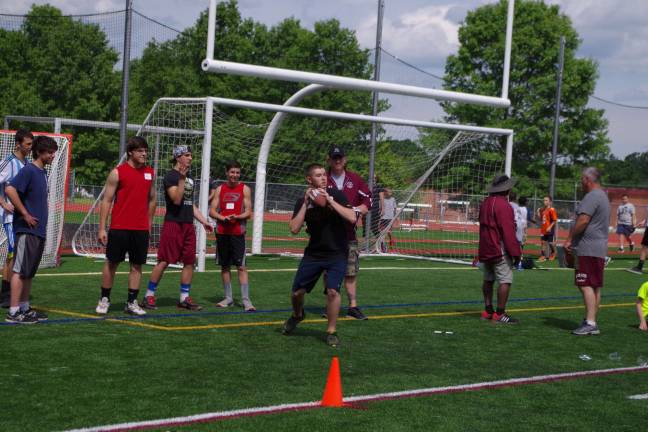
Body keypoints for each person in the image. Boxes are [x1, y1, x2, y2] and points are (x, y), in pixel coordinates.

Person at [282, 163, 358, 347]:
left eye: (324, 174)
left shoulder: (337, 194)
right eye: (318, 175)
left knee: (332, 291)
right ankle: (298, 314)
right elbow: (293, 228)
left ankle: (331, 331)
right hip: (314, 254)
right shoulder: (302, 201)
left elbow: (352, 217)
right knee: (296, 293)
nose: (323, 178)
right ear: (309, 179)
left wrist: (331, 201)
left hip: (337, 253)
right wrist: (306, 203)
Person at [143, 146, 213, 311]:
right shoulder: (171, 176)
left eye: (191, 155)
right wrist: (181, 179)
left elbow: (189, 203)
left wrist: (204, 221)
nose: (190, 158)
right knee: (164, 261)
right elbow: (176, 199)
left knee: (189, 261)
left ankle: (184, 298)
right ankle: (148, 296)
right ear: (178, 157)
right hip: (173, 224)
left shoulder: (188, 178)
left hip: (188, 225)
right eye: (187, 155)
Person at [95, 136, 156, 316]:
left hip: (140, 229)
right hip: (119, 227)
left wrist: (149, 224)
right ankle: (104, 299)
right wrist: (102, 228)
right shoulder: (117, 172)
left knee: (137, 266)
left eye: (145, 151)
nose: (144, 154)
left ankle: (131, 302)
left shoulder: (150, 173)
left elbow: (152, 200)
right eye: (140, 151)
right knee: (112, 263)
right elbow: (106, 200)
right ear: (130, 152)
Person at [4, 136, 58, 323]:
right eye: (50, 152)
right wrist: (25, 214)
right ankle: (13, 312)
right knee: (19, 270)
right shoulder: (29, 170)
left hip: (38, 230)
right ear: (39, 152)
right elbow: (10, 189)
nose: (52, 156)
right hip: (27, 230)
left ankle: (25, 308)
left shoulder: (42, 173)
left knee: (28, 271)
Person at [563, 167, 610, 336]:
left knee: (585, 284)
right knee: (595, 286)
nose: (581, 183)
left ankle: (590, 323)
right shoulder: (602, 195)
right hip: (598, 247)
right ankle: (591, 320)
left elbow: (583, 220)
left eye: (582, 179)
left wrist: (569, 239)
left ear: (587, 179)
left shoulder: (592, 196)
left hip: (587, 248)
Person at [326, 145, 371, 320]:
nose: (337, 161)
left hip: (349, 235)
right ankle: (329, 304)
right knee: (328, 271)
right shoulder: (324, 179)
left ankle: (353, 306)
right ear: (329, 160)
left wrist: (356, 211)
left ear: (345, 160)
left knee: (350, 272)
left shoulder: (355, 179)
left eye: (340, 157)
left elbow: (368, 201)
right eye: (334, 157)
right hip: (327, 236)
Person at [210, 161, 255, 311]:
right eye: (232, 172)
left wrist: (237, 216)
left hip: (237, 233)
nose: (234, 175)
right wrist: (223, 218)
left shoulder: (245, 189)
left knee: (241, 267)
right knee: (225, 266)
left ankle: (246, 300)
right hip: (222, 232)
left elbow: (249, 211)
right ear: (227, 172)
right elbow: (212, 211)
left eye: (237, 172)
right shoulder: (219, 189)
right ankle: (228, 298)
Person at [478, 174, 522, 324]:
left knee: (488, 279)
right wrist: (516, 253)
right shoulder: (504, 206)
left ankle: (487, 310)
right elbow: (508, 232)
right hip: (499, 248)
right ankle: (500, 313)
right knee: (505, 280)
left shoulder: (485, 203)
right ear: (506, 189)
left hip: (485, 247)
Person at [0, 129, 32, 308]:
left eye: (31, 144)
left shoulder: (26, 163)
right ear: (18, 144)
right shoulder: (9, 162)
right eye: (27, 144)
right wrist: (3, 204)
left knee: (16, 253)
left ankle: (9, 290)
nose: (30, 147)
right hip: (10, 217)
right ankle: (6, 294)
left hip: (20, 216)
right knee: (13, 252)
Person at [537, 196, 558, 262]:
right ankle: (543, 255)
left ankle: (554, 252)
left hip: (549, 229)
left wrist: (550, 227)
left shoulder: (552, 209)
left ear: (550, 202)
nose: (544, 202)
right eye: (544, 200)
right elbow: (542, 219)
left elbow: (554, 220)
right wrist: (538, 213)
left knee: (550, 243)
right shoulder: (543, 209)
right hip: (543, 229)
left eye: (546, 200)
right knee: (543, 242)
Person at [379, 187, 397, 252]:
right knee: (381, 233)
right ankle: (382, 247)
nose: (390, 193)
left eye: (391, 192)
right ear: (385, 193)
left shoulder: (393, 199)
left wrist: (395, 217)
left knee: (390, 233)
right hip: (383, 218)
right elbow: (380, 208)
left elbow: (395, 208)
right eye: (389, 192)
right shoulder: (381, 199)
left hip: (390, 218)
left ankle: (392, 247)